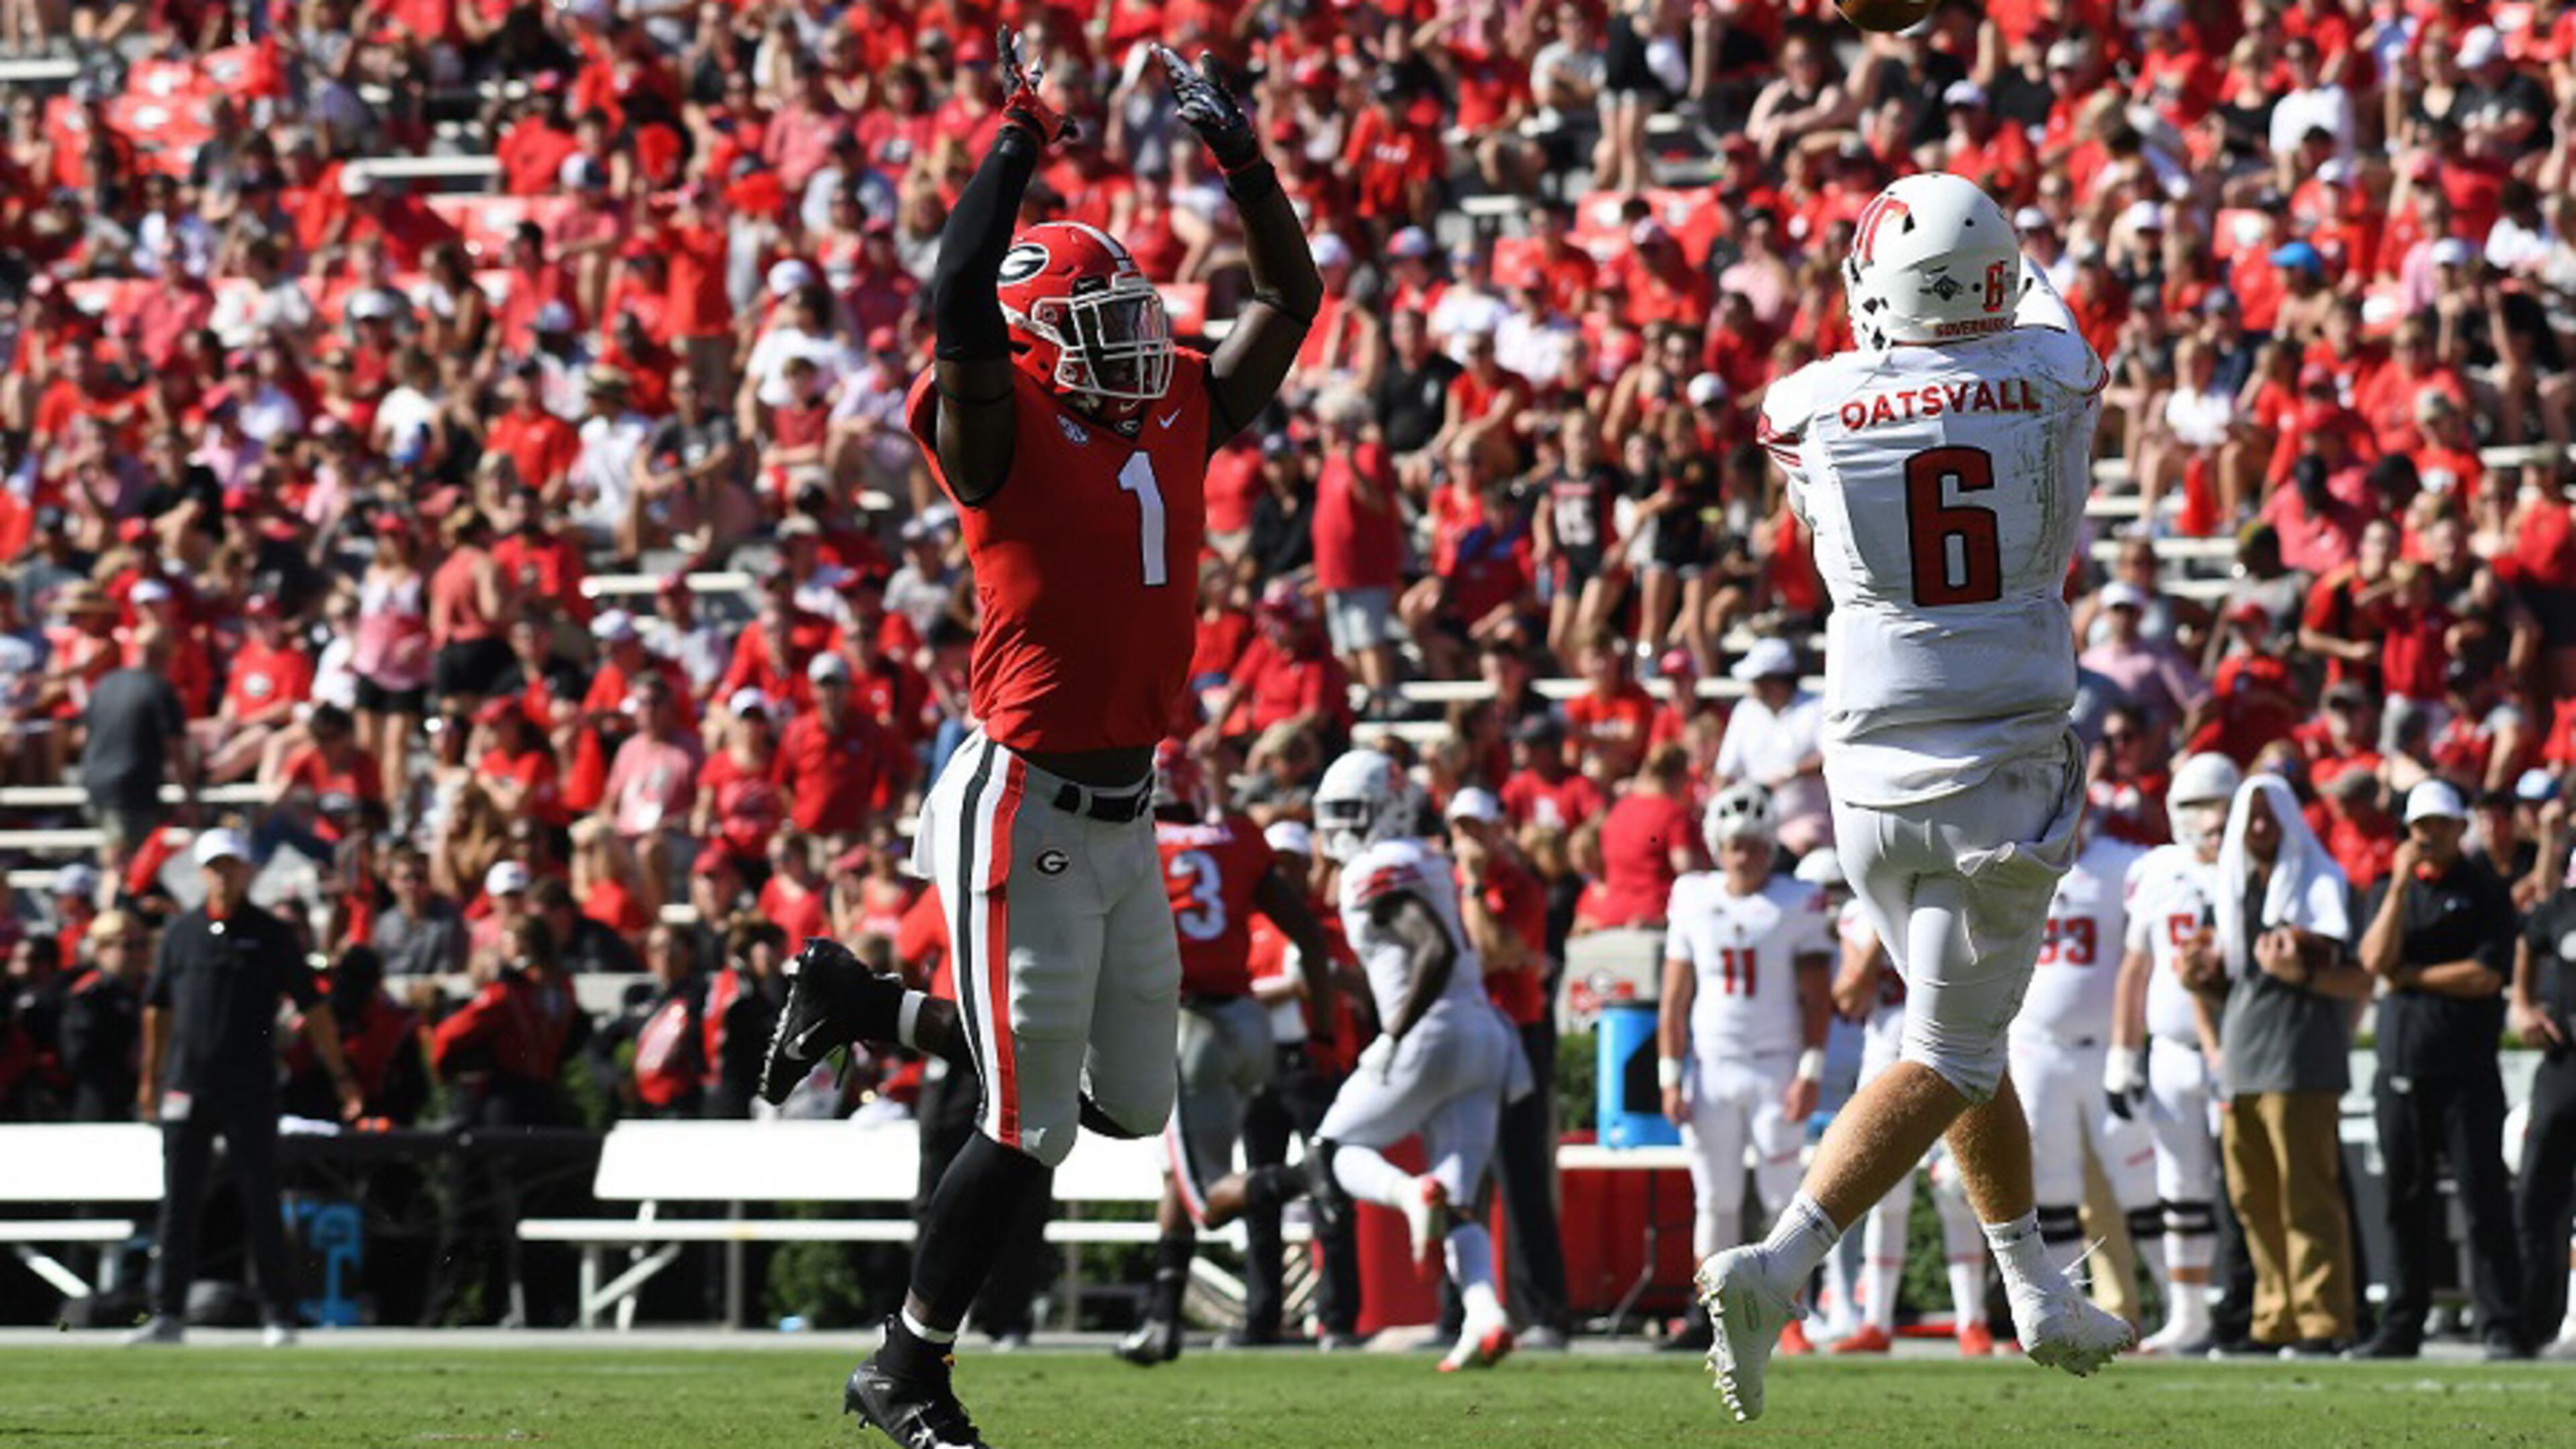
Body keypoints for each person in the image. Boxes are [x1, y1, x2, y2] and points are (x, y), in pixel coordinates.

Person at [755, 37, 1320, 1448]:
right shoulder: (996, 430)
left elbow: (1289, 293)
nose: (1136, 334)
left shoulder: (1176, 404)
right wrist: (1018, 135)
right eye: (1101, 314)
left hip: (1124, 816)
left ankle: (863, 1002)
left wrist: (1244, 160)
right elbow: (956, 295)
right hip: (1021, 804)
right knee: (1028, 1128)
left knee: (1124, 1110)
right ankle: (907, 1364)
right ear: (1033, 340)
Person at [1697, 172, 2131, 1424]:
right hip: (1998, 762)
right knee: (1946, 1049)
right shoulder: (2055, 372)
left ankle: (2033, 1286)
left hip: (1866, 772)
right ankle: (1779, 1267)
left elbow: (1834, 428)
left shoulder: (1811, 404)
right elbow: (2037, 323)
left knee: (1960, 1038)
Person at [1305, 749, 1528, 1372]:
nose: (1344, 825)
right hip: (1481, 1032)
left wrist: (1393, 1034)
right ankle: (1486, 1319)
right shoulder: (1419, 858)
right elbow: (1413, 960)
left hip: (1430, 1033)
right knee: (1460, 1200)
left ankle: (1407, 1196)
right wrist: (1343, 981)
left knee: (1330, 1150)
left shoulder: (1377, 869)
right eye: (1338, 812)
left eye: (1355, 811)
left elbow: (1428, 949)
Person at [1115, 742, 1333, 1366]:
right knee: (1177, 1177)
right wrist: (1319, 1031)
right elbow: (1311, 937)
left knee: (1208, 1198)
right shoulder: (1237, 838)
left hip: (1191, 1029)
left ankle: (1307, 1176)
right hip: (1250, 1026)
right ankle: (1162, 1322)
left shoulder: (1136, 848)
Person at [128, 829, 362, 1346]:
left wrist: (339, 1072)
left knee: (261, 1197)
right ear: (201, 871)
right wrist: (151, 1078)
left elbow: (312, 1005)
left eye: (232, 864)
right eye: (215, 865)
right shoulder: (182, 933)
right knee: (179, 1204)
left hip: (250, 1086)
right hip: (188, 1084)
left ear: (247, 870)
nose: (223, 874)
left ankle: (278, 1313)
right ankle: (167, 1312)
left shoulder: (271, 934)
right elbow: (158, 1008)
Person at [2353, 780, 2527, 1360]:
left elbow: (2485, 976)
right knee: (2406, 1201)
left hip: (2467, 1070)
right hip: (2402, 1067)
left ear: (2459, 827)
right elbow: (2376, 960)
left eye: (2441, 825)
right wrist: (2401, 885)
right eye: (2420, 825)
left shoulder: (2485, 891)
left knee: (2484, 1200)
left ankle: (2502, 1324)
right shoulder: (2388, 889)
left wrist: (2416, 976)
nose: (2429, 835)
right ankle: (2402, 1325)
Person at [1657, 784, 1831, 1347]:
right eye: (1735, 844)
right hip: (1711, 1066)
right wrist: (1669, 1072)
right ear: (1716, 844)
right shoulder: (1691, 897)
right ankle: (1717, 1317)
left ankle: (1789, 1315)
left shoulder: (1794, 899)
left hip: (1773, 1065)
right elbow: (1675, 996)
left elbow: (1816, 995)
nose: (1745, 855)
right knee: (1717, 1198)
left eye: (1755, 844)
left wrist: (1809, 1069)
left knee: (1784, 1195)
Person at [2208, 771, 2365, 1358]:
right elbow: (2228, 978)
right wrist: (2198, 975)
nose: (2259, 828)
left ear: (2291, 819)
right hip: (2243, 1056)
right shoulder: (2232, 888)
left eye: (2270, 815)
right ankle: (2275, 1319)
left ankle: (2324, 1319)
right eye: (2251, 817)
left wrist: (2307, 973)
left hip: (2302, 1059)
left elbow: (2360, 977)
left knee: (2308, 1194)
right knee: (2253, 1199)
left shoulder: (2326, 883)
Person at [1812, 849, 1992, 1358]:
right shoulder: (1859, 912)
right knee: (1884, 1193)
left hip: (1943, 1046)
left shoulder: (1955, 899)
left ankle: (1971, 1320)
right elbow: (1849, 996)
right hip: (1886, 1053)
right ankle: (1876, 1321)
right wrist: (1881, 928)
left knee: (1955, 1188)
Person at [2108, 751, 2242, 1355]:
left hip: (2234, 1048)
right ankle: (2188, 1312)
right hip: (2169, 1049)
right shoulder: (2156, 870)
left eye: (2215, 805)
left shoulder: (2245, 867)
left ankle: (2248, 1305)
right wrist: (2122, 1050)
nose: (2203, 819)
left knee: (2244, 1186)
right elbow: (2135, 966)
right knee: (2179, 1184)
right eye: (2190, 806)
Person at [2009, 815, 2161, 1329]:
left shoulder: (2123, 863)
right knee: (2049, 1184)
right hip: (2037, 1047)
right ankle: (2067, 1310)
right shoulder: (2016, 858)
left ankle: (2179, 1306)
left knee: (2141, 1177)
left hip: (2104, 1050)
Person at [2511, 837, 2576, 1358]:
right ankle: (2534, 1320)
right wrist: (2523, 1005)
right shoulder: (2561, 908)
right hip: (2564, 1064)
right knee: (2539, 1195)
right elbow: (2528, 942)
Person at [80, 627, 191, 887]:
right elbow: (176, 748)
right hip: (131, 789)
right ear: (164, 657)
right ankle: (112, 922)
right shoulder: (159, 688)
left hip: (96, 784)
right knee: (124, 866)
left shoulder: (105, 684)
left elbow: (87, 735)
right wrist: (190, 796)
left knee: (124, 860)